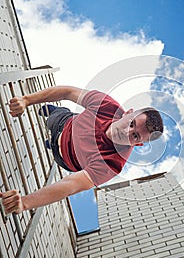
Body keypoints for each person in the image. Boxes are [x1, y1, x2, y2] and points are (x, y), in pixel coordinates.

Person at [0, 86, 163, 215]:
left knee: (51, 146)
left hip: (64, 159)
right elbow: (68, 92)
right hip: (64, 125)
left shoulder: (113, 164)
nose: (126, 131)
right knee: (52, 118)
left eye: (134, 136)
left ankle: (51, 144)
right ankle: (56, 112)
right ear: (127, 113)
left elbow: (71, 185)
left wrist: (24, 203)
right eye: (131, 123)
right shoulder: (107, 105)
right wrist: (26, 100)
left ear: (137, 144)